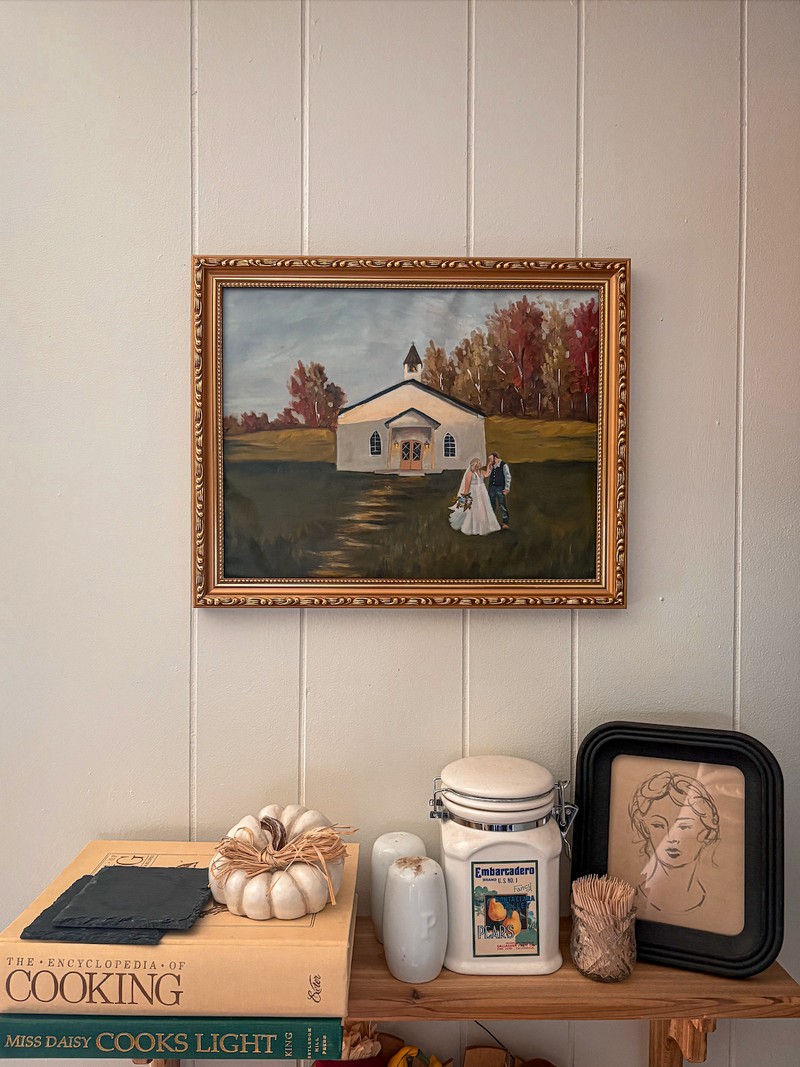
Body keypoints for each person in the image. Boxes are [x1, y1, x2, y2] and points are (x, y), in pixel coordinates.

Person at [628, 771, 720, 917]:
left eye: (684, 827)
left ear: (707, 832)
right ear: (645, 829)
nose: (671, 838)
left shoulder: (720, 909)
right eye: (658, 825)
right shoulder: (629, 903)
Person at [449, 458, 501, 536]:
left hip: (482, 493)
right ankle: (473, 527)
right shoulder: (469, 474)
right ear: (475, 465)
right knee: (473, 510)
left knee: (483, 509)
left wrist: (488, 467)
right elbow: (466, 488)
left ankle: (485, 526)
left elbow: (486, 474)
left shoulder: (480, 472)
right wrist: (465, 498)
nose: (481, 465)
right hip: (474, 493)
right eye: (479, 464)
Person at [486, 452, 511, 530]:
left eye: (491, 459)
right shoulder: (492, 465)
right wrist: (489, 468)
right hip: (492, 488)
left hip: (500, 487)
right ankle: (492, 523)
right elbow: (488, 474)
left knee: (502, 505)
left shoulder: (503, 465)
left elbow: (507, 476)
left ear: (495, 458)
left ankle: (505, 522)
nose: (490, 460)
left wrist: (507, 488)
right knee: (491, 505)